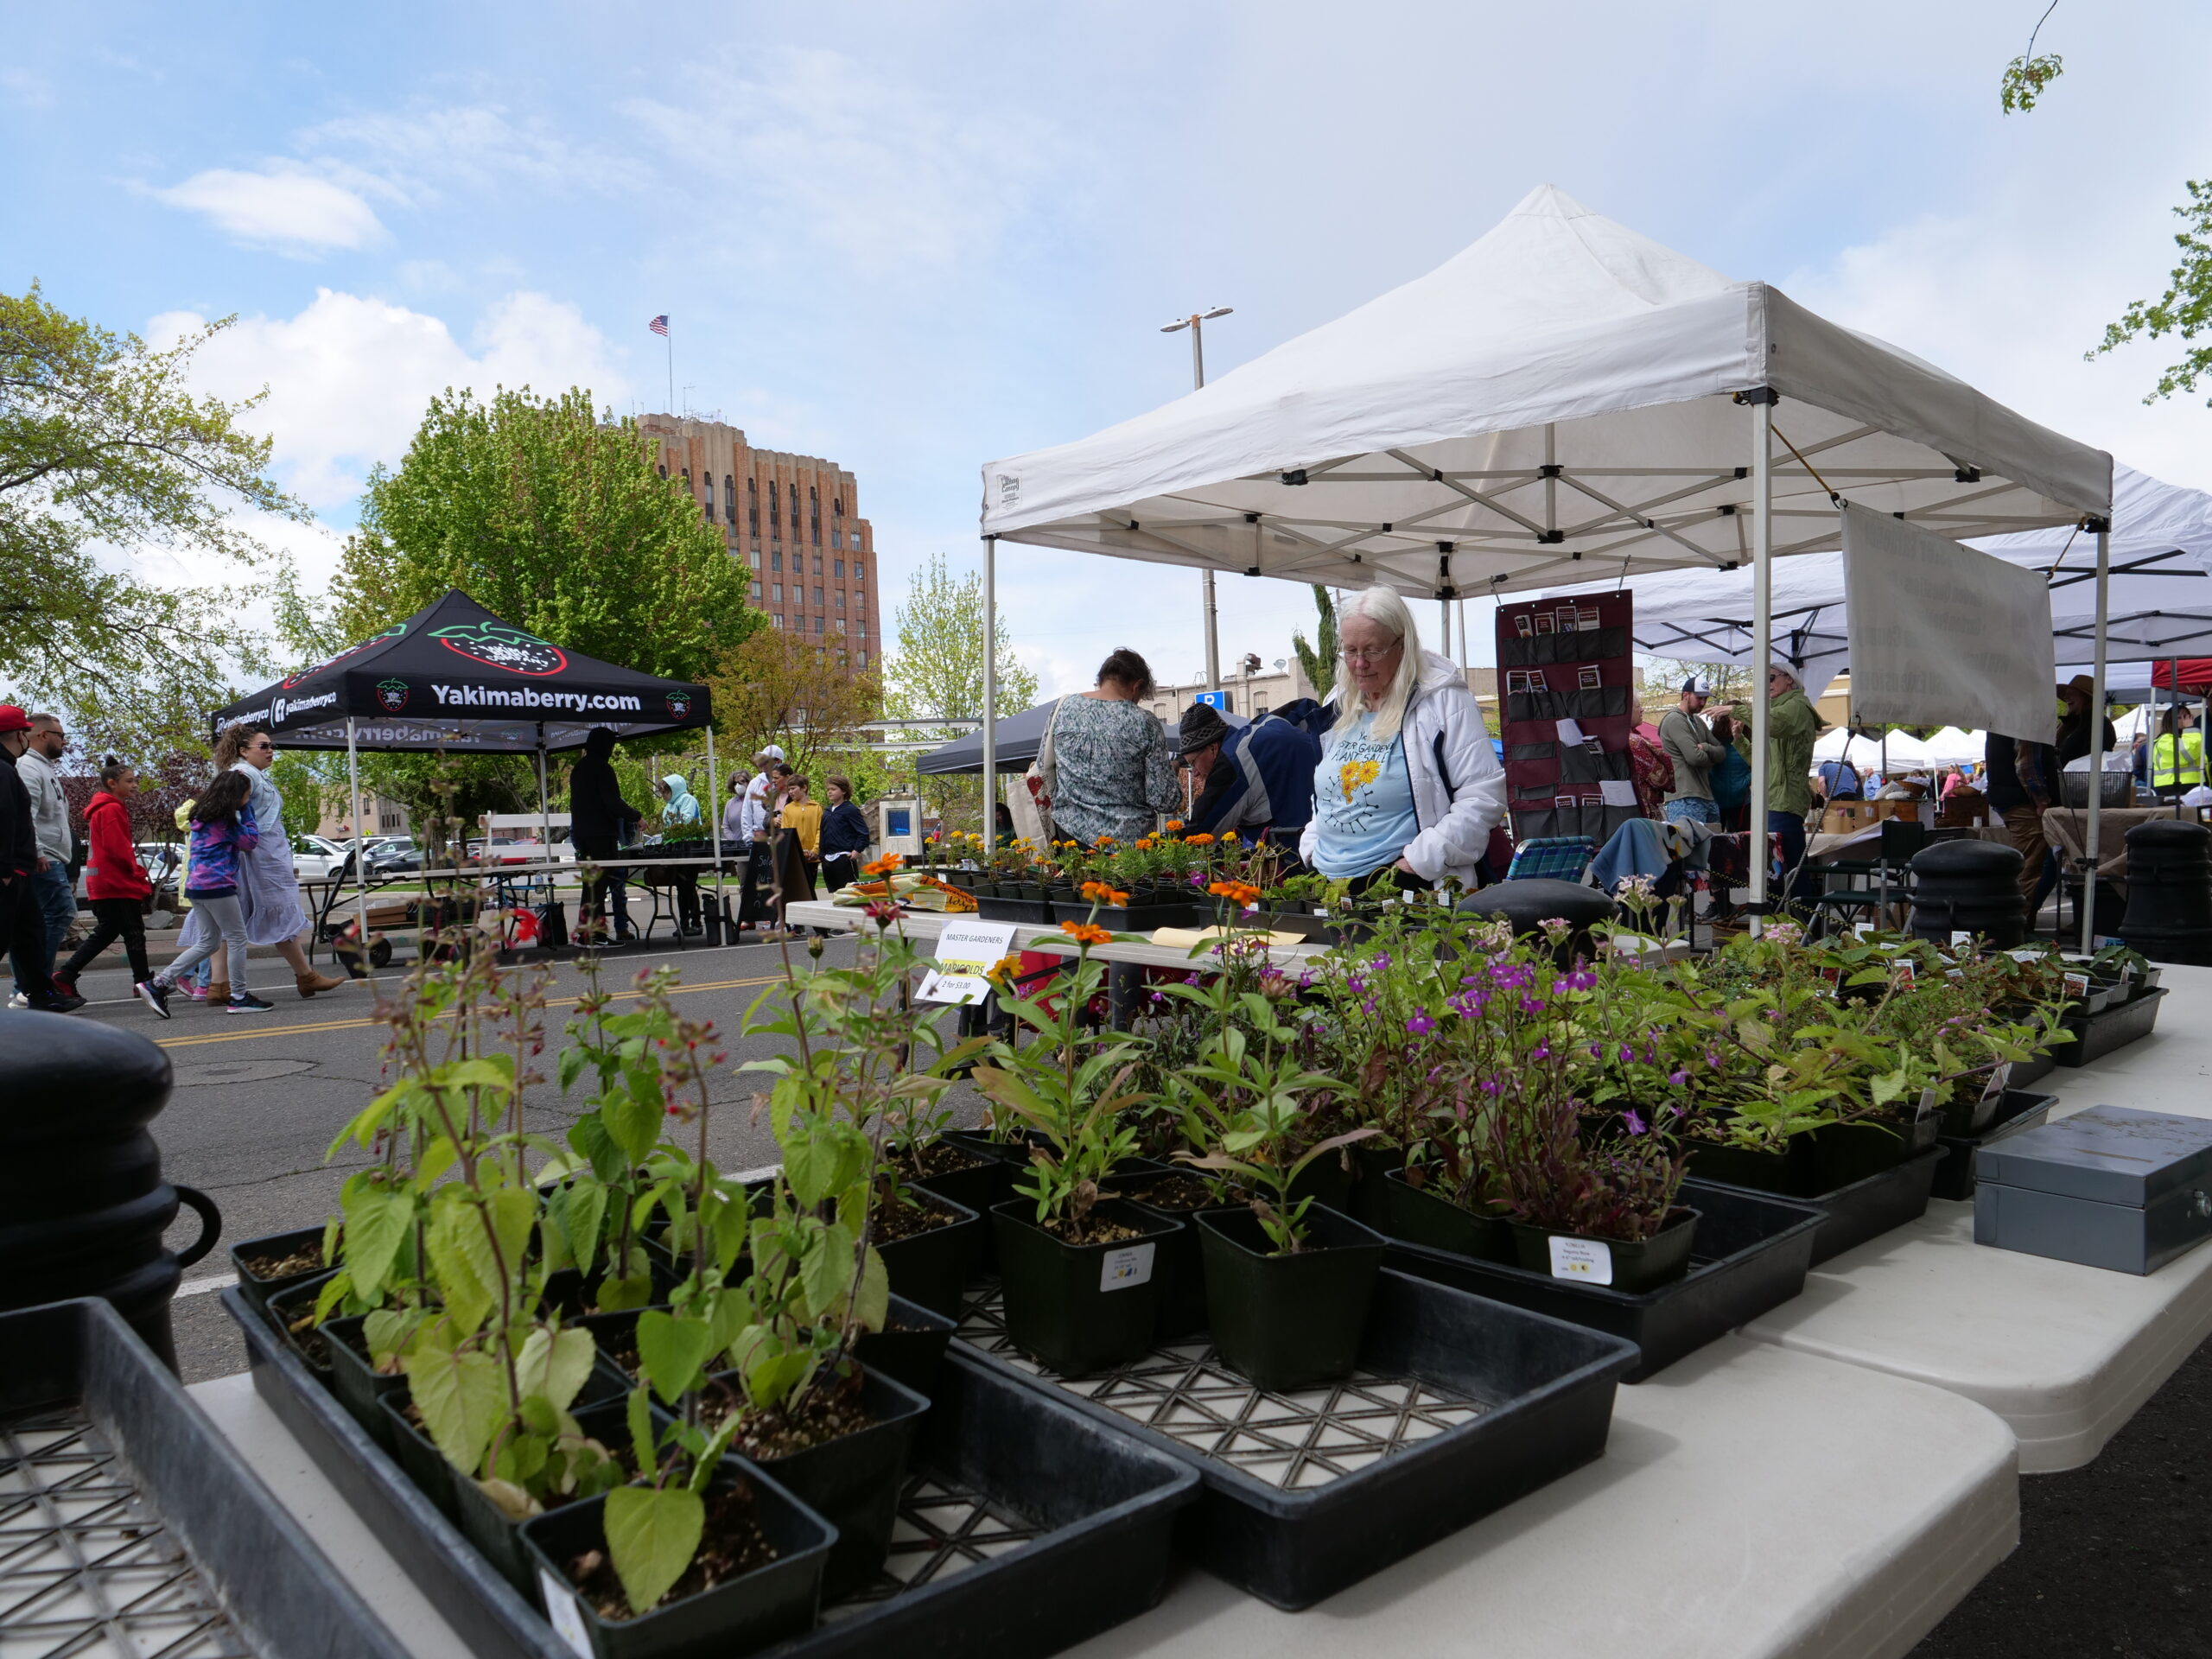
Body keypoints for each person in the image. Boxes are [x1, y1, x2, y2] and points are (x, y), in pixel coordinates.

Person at [1299, 585, 1506, 893]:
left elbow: (1483, 796)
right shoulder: (1340, 702)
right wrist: (1313, 848)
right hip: (1330, 884)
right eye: (1350, 650)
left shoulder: (1443, 701)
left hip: (1405, 887)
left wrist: (1415, 865)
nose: (1358, 663)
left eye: (1372, 650)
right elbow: (1329, 791)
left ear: (1403, 645)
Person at [216, 724, 347, 998]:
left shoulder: (252, 776)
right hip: (259, 858)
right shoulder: (244, 775)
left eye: (272, 746)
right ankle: (304, 976)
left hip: (261, 855)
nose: (271, 751)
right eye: (263, 746)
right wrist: (248, 842)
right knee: (276, 910)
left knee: (234, 917)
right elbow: (228, 817)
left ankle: (220, 984)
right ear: (243, 751)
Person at [142, 771, 269, 1015]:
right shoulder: (225, 822)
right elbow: (251, 841)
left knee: (209, 942)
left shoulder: (200, 816)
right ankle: (239, 997)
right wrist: (248, 811)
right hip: (218, 885)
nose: (248, 797)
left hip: (196, 886)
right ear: (236, 796)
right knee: (237, 938)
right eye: (246, 794)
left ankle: (158, 984)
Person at [1037, 649, 1179, 845]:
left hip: (1070, 836)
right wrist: (1170, 774)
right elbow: (1164, 800)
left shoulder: (1063, 708)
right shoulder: (1145, 722)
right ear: (1136, 686)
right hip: (1130, 843)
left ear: (1102, 679)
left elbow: (1042, 766)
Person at [53, 758, 157, 1010]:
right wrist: (136, 871)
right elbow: (116, 848)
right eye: (129, 781)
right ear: (112, 784)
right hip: (115, 882)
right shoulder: (111, 809)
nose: (135, 785)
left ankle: (67, 975)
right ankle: (142, 981)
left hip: (106, 882)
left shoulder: (105, 807)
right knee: (133, 933)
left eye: (135, 780)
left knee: (110, 931)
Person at [0, 707, 78, 1012]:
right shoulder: (13, 769)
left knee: (30, 932)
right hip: (15, 868)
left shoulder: (16, 767)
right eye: (61, 735)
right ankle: (28, 990)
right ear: (22, 735)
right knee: (15, 931)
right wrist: (8, 867)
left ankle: (39, 992)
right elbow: (8, 820)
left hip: (22, 867)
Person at [1176, 702, 1324, 852]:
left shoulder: (1231, 764)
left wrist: (1164, 844)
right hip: (1332, 825)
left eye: (1193, 763)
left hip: (1299, 851)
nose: (1194, 772)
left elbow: (1197, 832)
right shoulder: (1266, 722)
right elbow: (1307, 707)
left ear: (1213, 748)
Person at [1755, 664, 1823, 908]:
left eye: (1771, 677)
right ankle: (1793, 928)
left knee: (1788, 870)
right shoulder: (1780, 709)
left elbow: (1775, 724)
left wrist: (1740, 711)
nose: (1767, 683)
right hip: (1774, 799)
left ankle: (1807, 928)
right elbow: (1761, 762)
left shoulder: (1795, 707)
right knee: (1780, 870)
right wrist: (1739, 741)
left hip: (1784, 801)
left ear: (1790, 681)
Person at [569, 726, 643, 944]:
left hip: (583, 834)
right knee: (598, 887)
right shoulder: (602, 768)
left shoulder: (579, 768)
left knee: (590, 886)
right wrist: (636, 817)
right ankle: (594, 934)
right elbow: (612, 801)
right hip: (600, 834)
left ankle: (587, 932)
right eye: (611, 745)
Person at [1657, 677, 1726, 826]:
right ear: (1685, 695)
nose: (1702, 703)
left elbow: (1722, 752)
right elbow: (1695, 757)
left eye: (1705, 698)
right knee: (1687, 847)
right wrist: (1711, 759)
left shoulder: (1697, 721)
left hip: (1705, 797)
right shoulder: (1674, 720)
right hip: (1684, 798)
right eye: (1699, 698)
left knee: (1712, 847)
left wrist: (1706, 748)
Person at [766, 773, 823, 938]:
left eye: (794, 788)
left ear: (804, 788)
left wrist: (815, 850)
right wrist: (797, 851)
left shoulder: (817, 807)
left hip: (812, 856)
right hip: (796, 856)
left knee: (809, 889)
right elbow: (786, 832)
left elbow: (819, 830)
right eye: (789, 789)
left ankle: (815, 924)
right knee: (797, 890)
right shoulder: (788, 809)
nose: (791, 792)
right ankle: (797, 925)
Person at [656, 772, 703, 934]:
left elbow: (686, 821)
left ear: (674, 789)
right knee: (681, 887)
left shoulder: (687, 800)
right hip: (676, 850)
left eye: (665, 792)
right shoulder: (669, 805)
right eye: (661, 792)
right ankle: (684, 923)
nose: (663, 795)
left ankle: (695, 922)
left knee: (687, 886)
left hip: (690, 849)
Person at [819, 776, 871, 893]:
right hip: (828, 859)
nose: (830, 792)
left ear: (843, 791)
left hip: (844, 858)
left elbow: (863, 833)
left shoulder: (850, 810)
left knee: (848, 892)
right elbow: (823, 833)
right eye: (828, 789)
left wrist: (857, 850)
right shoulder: (826, 812)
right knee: (835, 894)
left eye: (833, 789)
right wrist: (822, 855)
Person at [1707, 711, 1752, 833]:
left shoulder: (1748, 742)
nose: (1738, 721)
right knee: (1715, 843)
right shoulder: (1715, 741)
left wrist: (1746, 781)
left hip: (1742, 802)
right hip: (1716, 802)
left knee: (1743, 843)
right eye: (1734, 718)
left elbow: (1757, 766)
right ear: (1725, 720)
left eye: (1741, 718)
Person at [2152, 707, 2206, 796]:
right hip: (2174, 785)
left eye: (2186, 716)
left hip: (2191, 783)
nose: (2184, 720)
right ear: (2171, 720)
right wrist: (2190, 728)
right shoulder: (2164, 740)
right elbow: (2187, 753)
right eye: (2179, 717)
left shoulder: (2187, 737)